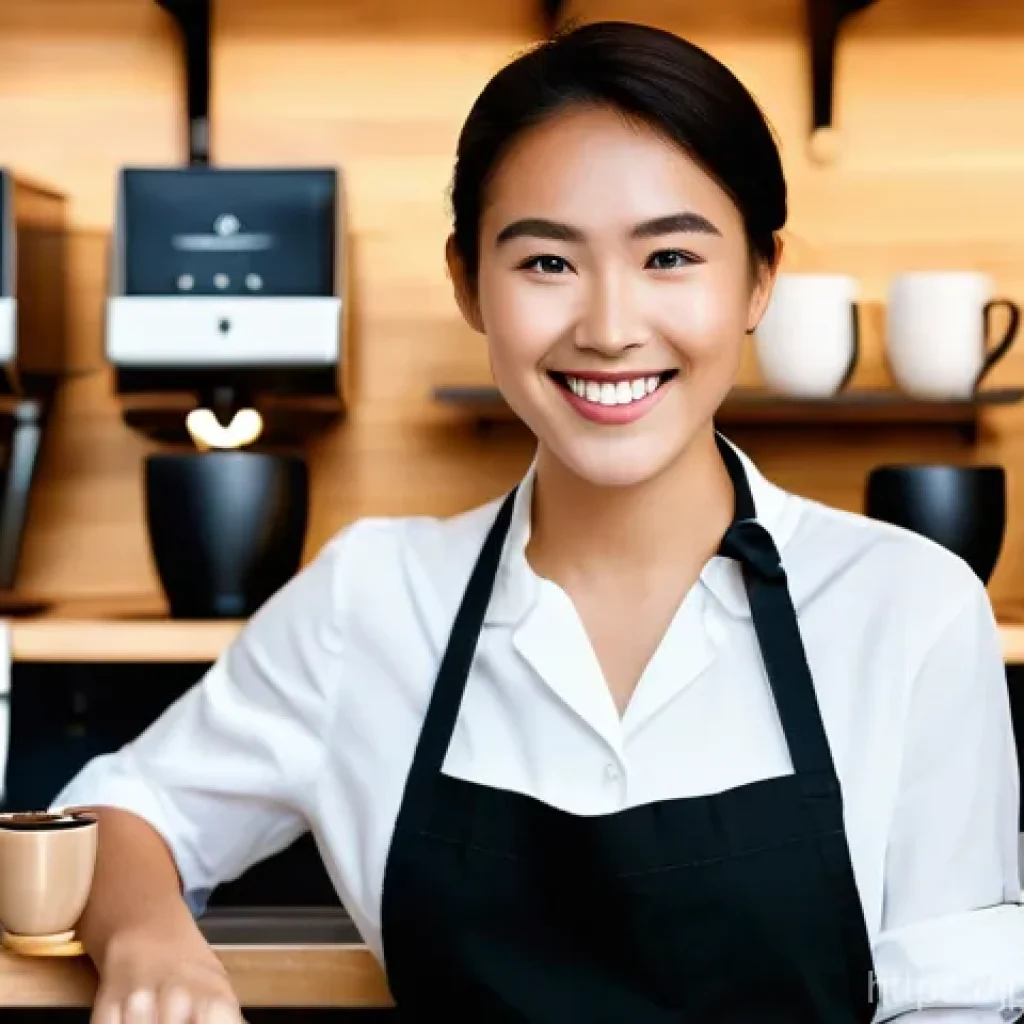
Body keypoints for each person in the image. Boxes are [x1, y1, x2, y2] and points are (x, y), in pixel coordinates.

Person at [55, 19, 1024, 1024]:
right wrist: (149, 941)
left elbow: (953, 1007)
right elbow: (115, 813)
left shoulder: (907, 609)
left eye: (669, 257)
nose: (608, 328)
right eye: (548, 264)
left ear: (759, 279)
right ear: (466, 281)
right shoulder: (371, 602)